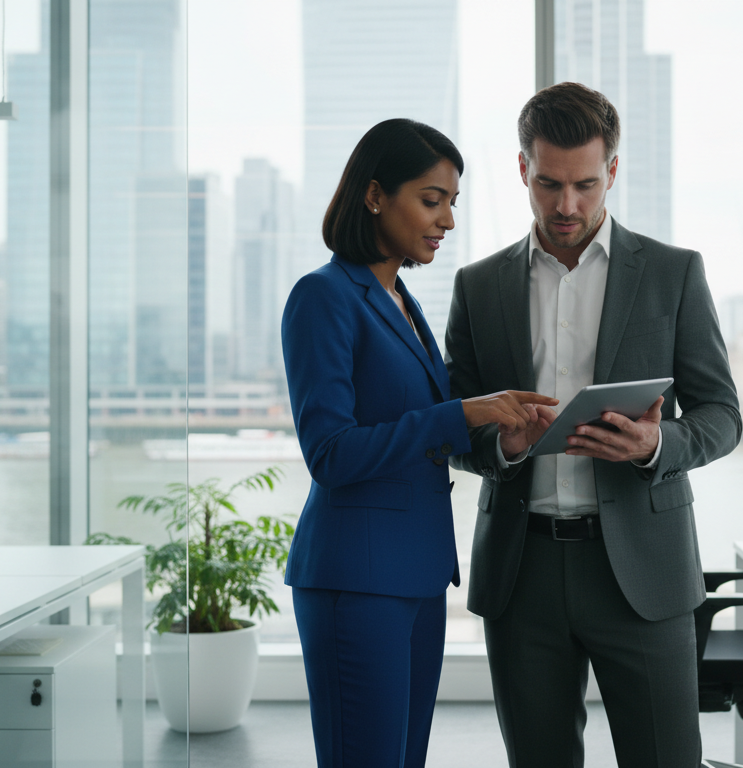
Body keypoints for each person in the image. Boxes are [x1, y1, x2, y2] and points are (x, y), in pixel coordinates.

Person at [444, 83, 742, 766]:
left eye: (584, 183)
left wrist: (655, 445)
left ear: (611, 171)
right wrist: (502, 446)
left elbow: (723, 415)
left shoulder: (673, 274)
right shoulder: (478, 287)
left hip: (643, 570)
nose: (566, 205)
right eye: (548, 183)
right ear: (523, 169)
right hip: (524, 572)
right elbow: (454, 427)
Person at [281, 118, 557, 768]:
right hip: (357, 577)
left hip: (416, 576)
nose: (447, 221)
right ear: (375, 195)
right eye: (432, 200)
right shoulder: (324, 297)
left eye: (452, 204)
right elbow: (330, 454)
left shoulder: (400, 298)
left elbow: (421, 422)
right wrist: (458, 414)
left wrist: (497, 426)